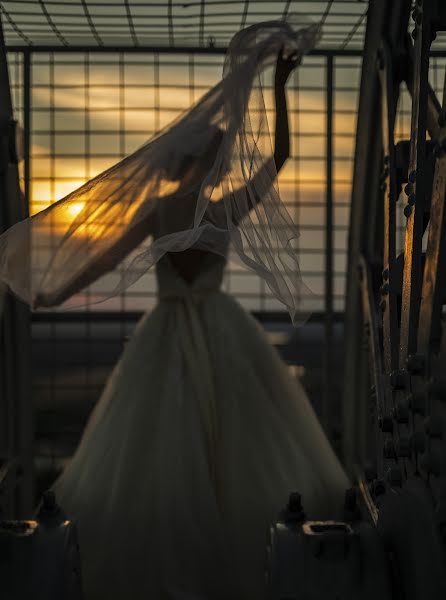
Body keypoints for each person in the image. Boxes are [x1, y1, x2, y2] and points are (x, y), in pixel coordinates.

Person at [1, 19, 349, 600]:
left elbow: (104, 261)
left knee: (160, 452)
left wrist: (54, 295)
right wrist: (282, 89)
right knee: (240, 447)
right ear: (202, 163)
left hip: (165, 329)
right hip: (221, 326)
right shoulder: (222, 210)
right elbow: (282, 156)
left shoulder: (161, 212)